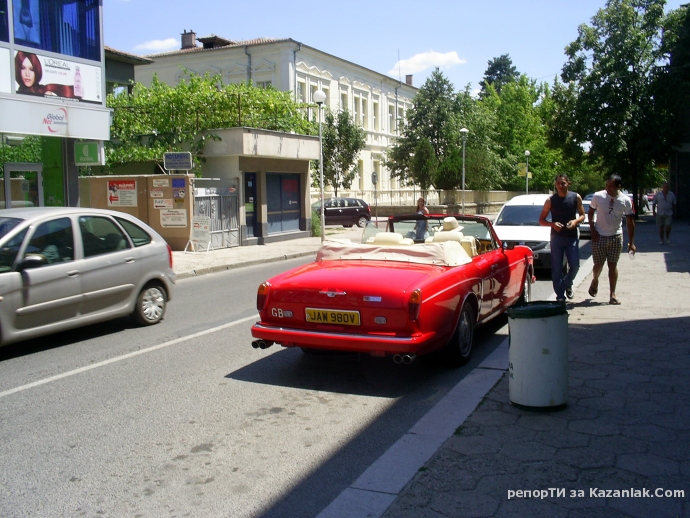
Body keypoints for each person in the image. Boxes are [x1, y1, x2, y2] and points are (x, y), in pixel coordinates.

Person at [587, 174, 635, 305]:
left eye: (611, 186)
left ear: (619, 187)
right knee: (598, 264)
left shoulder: (625, 200)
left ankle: (612, 294)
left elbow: (630, 221)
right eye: (606, 185)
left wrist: (632, 242)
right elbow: (590, 213)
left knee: (612, 265)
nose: (608, 188)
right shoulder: (598, 196)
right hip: (599, 235)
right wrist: (592, 230)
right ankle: (595, 280)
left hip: (616, 236)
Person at [538, 174, 585, 302]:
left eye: (563, 183)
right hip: (556, 237)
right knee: (557, 268)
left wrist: (575, 222)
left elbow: (582, 215)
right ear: (555, 184)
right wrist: (552, 224)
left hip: (571, 237)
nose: (560, 186)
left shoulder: (575, 197)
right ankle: (560, 297)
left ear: (568, 183)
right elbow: (541, 220)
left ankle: (567, 283)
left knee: (575, 266)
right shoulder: (550, 200)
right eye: (558, 183)